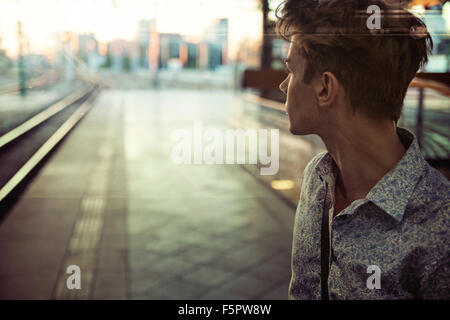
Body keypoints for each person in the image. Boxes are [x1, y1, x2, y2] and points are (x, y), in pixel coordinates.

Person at [277, 0, 449, 299]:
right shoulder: (318, 178)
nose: (283, 85)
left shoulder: (440, 228)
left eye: (291, 69)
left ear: (325, 89)